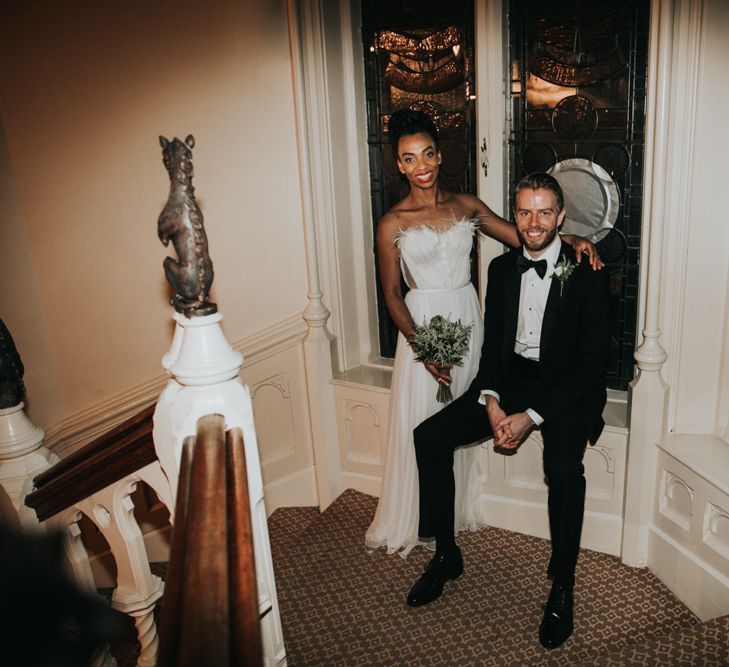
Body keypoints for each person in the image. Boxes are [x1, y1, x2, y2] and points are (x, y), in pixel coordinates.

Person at [365, 109, 602, 558]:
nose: (422, 165)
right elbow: (392, 295)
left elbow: (527, 235)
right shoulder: (391, 222)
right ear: (399, 164)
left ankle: (467, 519)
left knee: (475, 405)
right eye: (409, 158)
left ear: (440, 154)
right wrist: (423, 347)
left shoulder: (466, 205)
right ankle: (435, 541)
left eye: (428, 153)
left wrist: (571, 241)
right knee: (424, 425)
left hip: (469, 316)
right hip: (423, 323)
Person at [406, 172, 610, 651]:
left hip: (566, 389)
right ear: (513, 216)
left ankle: (563, 585)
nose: (533, 222)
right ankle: (446, 555)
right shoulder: (500, 270)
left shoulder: (587, 272)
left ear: (561, 216)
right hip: (512, 380)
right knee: (428, 437)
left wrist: (532, 416)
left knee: (564, 469)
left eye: (544, 212)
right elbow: (494, 350)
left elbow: (590, 366)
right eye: (524, 212)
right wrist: (493, 400)